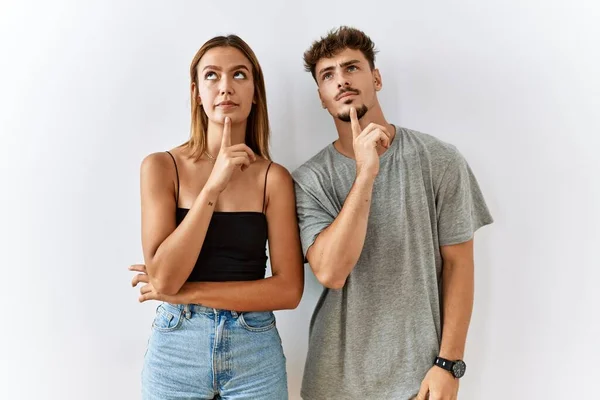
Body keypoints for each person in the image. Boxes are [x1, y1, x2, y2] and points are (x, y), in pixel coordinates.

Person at [292, 26, 494, 400]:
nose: (341, 81)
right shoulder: (309, 179)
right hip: (334, 385)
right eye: (328, 75)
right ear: (321, 97)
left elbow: (459, 265)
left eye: (351, 68)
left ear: (376, 77)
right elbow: (331, 272)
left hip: (419, 382)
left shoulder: (439, 159)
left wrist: (450, 364)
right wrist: (366, 173)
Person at [129, 34, 303, 400]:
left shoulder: (274, 178)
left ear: (256, 91)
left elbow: (289, 290)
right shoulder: (162, 167)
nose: (225, 87)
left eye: (239, 75)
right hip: (178, 347)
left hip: (253, 347)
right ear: (196, 92)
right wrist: (212, 188)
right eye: (212, 76)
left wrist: (187, 292)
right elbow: (163, 275)